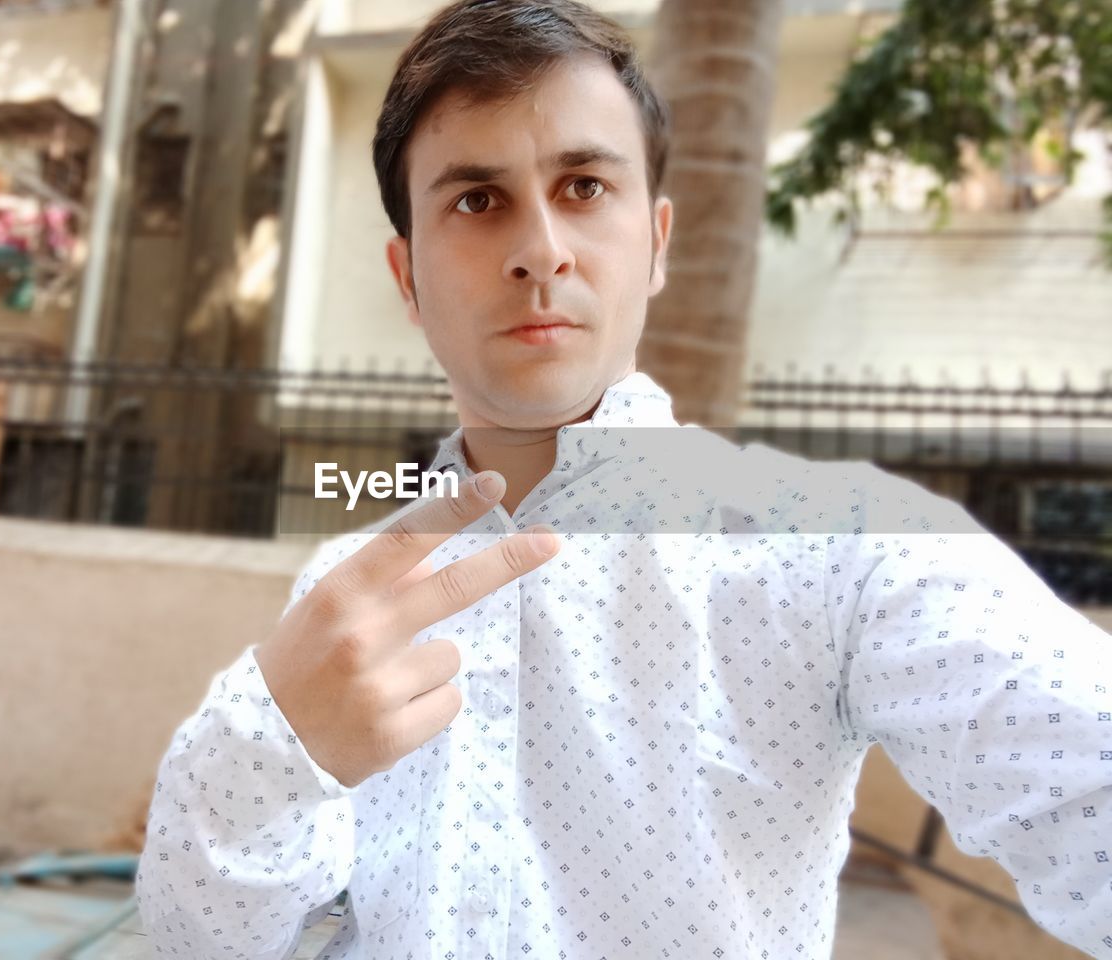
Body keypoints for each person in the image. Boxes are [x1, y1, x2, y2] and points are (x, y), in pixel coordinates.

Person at [134, 1, 1112, 957]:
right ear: (406, 277)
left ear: (655, 242)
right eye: (476, 201)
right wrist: (269, 747)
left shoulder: (839, 550)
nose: (539, 252)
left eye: (583, 189)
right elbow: (194, 940)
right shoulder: (347, 598)